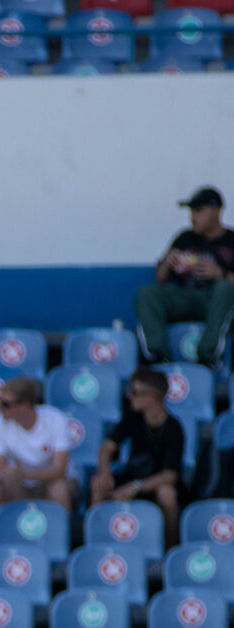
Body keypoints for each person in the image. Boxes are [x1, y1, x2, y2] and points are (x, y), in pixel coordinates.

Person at [136, 187, 234, 368]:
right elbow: (161, 280)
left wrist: (220, 274)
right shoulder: (185, 238)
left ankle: (208, 353)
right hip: (185, 297)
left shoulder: (231, 240)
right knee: (148, 292)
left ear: (216, 210)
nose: (192, 217)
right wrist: (167, 263)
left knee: (224, 288)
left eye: (198, 211)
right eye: (191, 211)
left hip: (215, 302)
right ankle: (158, 354)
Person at [93, 367, 187, 542]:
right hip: (133, 474)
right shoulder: (133, 416)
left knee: (167, 494)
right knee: (99, 486)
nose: (130, 396)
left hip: (153, 482)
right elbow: (107, 447)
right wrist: (104, 473)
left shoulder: (174, 428)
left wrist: (135, 487)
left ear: (152, 396)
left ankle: (169, 547)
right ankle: (97, 544)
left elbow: (169, 475)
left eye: (135, 393)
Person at [0, 375, 73, 517]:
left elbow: (60, 471)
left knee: (59, 489)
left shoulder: (56, 419)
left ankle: (62, 536)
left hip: (51, 482)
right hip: (19, 484)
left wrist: (25, 475)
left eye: (5, 404)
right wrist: (6, 474)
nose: (0, 408)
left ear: (25, 405)